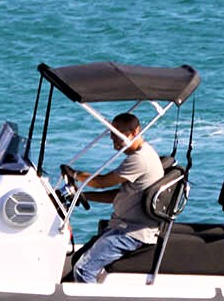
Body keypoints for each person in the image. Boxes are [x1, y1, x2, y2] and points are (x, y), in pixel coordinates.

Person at [62, 112, 165, 283]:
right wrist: (83, 195)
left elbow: (101, 182)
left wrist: (74, 174)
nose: (114, 140)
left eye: (119, 135)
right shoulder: (142, 153)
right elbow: (119, 195)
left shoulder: (140, 159)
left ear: (135, 132)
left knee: (83, 269)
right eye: (112, 135)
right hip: (123, 225)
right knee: (79, 257)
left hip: (131, 233)